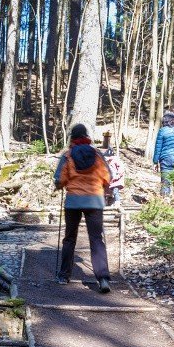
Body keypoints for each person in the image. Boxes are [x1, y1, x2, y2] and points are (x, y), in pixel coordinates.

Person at [54, 123, 112, 293]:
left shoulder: (68, 155)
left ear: (72, 137)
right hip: (94, 201)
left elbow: (59, 179)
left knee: (70, 238)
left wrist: (60, 185)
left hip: (73, 201)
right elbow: (108, 176)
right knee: (96, 239)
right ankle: (102, 278)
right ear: (87, 136)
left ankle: (64, 276)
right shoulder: (97, 154)